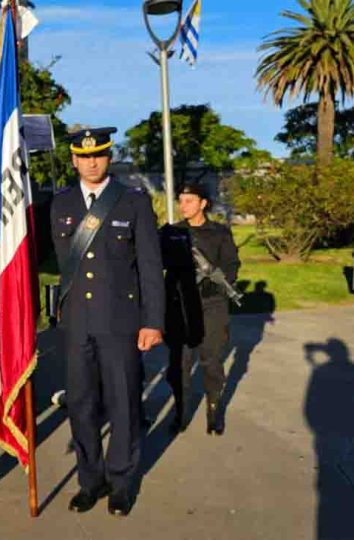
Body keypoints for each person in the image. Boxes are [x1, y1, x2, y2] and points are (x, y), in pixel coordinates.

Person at [50, 127, 164, 517]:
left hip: (121, 322)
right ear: (73, 160)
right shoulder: (60, 203)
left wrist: (153, 321)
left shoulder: (132, 202)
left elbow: (150, 266)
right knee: (81, 405)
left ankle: (120, 482)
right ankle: (90, 480)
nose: (91, 161)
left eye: (98, 154)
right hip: (78, 324)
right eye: (83, 156)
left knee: (124, 404)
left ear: (108, 157)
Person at [165, 183, 240, 435]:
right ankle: (181, 413)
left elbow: (231, 265)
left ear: (203, 203)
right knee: (180, 364)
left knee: (211, 361)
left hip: (212, 306)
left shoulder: (219, 233)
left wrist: (217, 286)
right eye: (181, 200)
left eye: (188, 200)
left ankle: (214, 411)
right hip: (180, 307)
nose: (182, 205)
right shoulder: (171, 232)